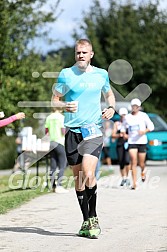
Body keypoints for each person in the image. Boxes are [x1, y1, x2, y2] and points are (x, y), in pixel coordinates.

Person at [52, 39, 115, 238]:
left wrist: (111, 108)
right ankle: (86, 220)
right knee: (79, 179)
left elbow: (109, 95)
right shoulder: (66, 74)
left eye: (84, 52)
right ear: (75, 54)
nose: (81, 55)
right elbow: (54, 100)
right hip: (72, 131)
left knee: (89, 172)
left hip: (93, 130)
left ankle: (94, 216)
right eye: (78, 52)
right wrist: (64, 106)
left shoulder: (101, 75)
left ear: (91, 54)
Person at [123, 98, 154, 189]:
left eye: (136, 106)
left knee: (141, 163)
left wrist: (144, 131)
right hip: (132, 141)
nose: (135, 108)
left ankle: (143, 171)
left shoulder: (143, 116)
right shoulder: (127, 117)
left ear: (139, 107)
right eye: (133, 106)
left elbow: (151, 126)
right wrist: (124, 134)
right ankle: (134, 183)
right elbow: (123, 128)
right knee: (133, 161)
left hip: (141, 141)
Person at [45, 108, 68, 193]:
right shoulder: (61, 117)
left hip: (51, 142)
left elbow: (46, 132)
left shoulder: (48, 117)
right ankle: (59, 185)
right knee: (62, 165)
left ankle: (52, 186)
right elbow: (63, 131)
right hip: (60, 142)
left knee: (53, 165)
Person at [112, 107, 130, 187]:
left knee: (127, 161)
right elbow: (113, 135)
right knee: (121, 161)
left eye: (124, 115)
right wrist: (119, 135)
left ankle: (128, 177)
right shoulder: (117, 124)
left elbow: (134, 134)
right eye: (122, 115)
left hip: (128, 143)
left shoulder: (129, 123)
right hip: (120, 144)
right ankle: (123, 178)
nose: (123, 116)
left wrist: (127, 136)